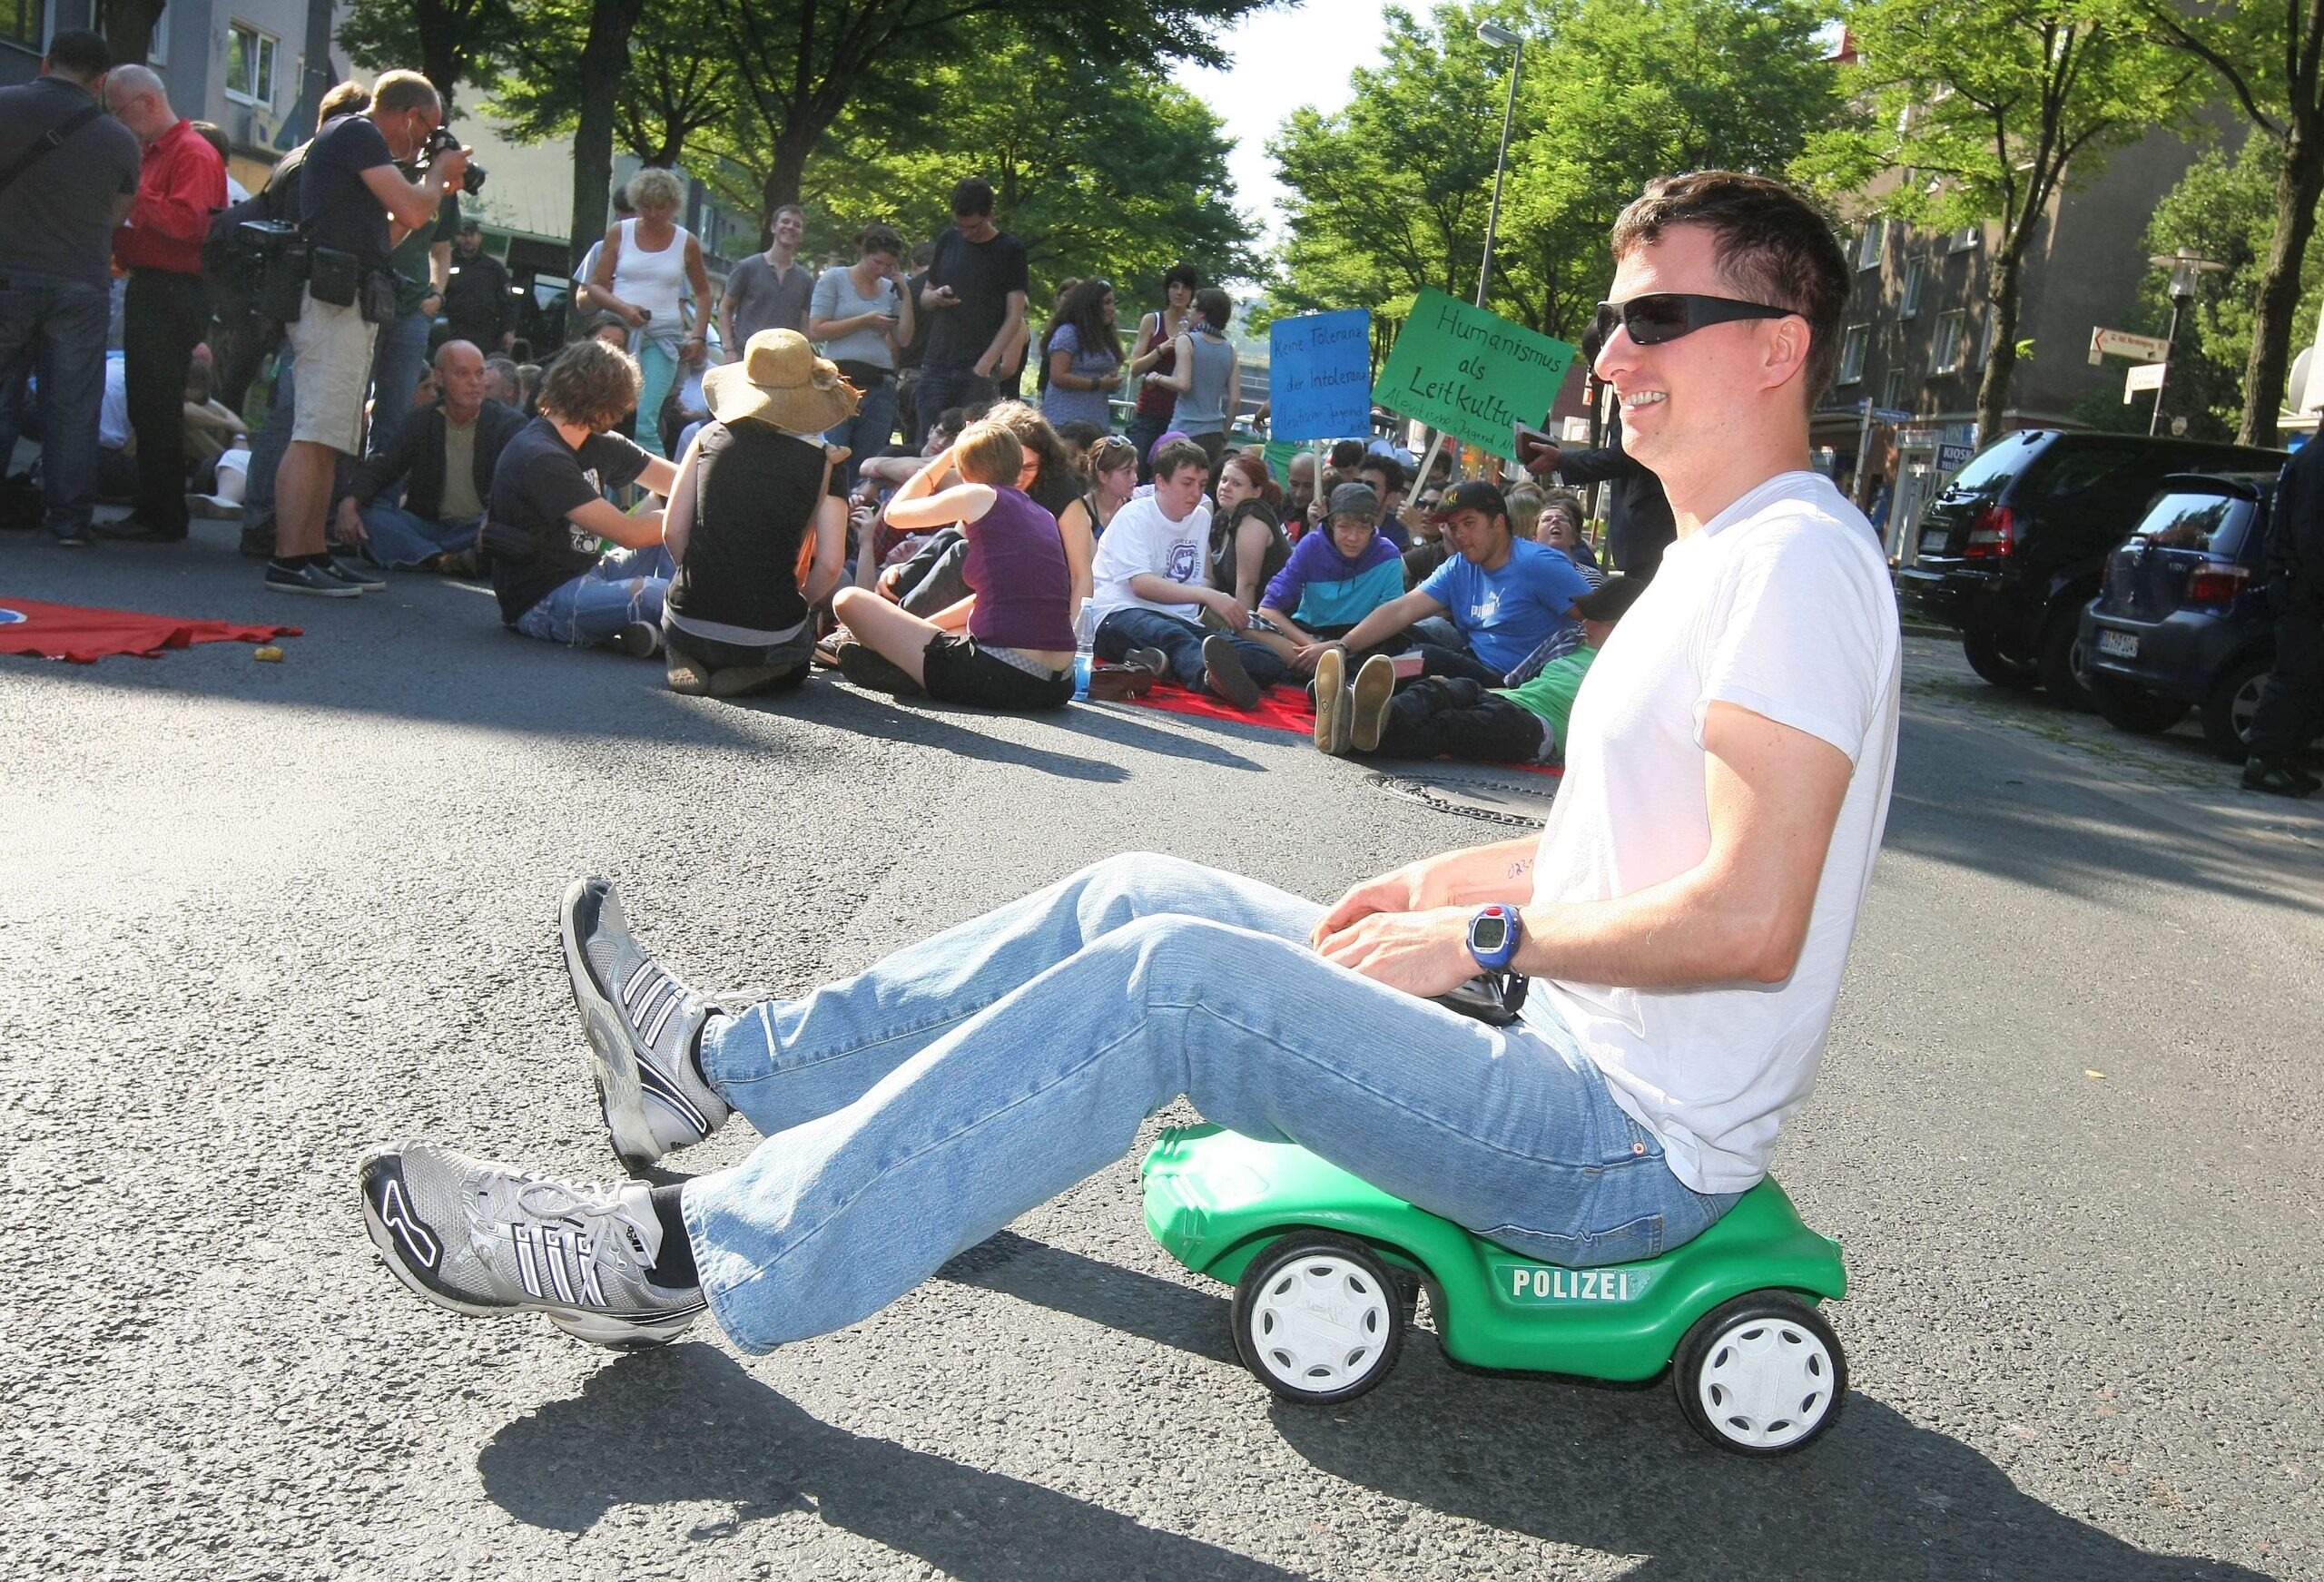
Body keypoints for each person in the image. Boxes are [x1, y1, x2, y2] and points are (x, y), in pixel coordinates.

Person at [358, 173, 1899, 1410]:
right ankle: (715, 1066)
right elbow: (1637, 848)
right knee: (1139, 890)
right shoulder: (1724, 557)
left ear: (1779, 342)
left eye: (1661, 317)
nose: (1614, 353)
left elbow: (1754, 916)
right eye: (1614, 318)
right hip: (1556, 1041)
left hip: (1619, 1143)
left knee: (1173, 984)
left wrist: (1486, 952)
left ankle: (676, 1254)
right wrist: (1454, 886)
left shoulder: (1796, 565)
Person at [266, 70, 471, 597]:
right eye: (428, 133)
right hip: (330, 299)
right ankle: (290, 559)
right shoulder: (356, 132)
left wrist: (432, 186)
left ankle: (311, 552)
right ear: (410, 116)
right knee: (314, 431)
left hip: (349, 295)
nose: (425, 144)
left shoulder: (357, 148)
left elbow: (389, 231)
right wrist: (436, 178)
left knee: (332, 435)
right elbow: (411, 206)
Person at [0, 29, 142, 545]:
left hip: (6, 272)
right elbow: (117, 217)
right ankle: (69, 521)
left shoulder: (4, 107)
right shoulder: (120, 139)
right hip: (81, 282)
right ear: (101, 81)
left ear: (46, 62)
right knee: (73, 403)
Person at [830, 418, 1078, 710]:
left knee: (849, 600)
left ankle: (907, 667)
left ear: (964, 469)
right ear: (1016, 464)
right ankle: (910, 666)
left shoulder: (978, 494)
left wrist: (943, 458)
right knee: (951, 629)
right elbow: (991, 599)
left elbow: (894, 514)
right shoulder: (1043, 515)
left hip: (1001, 674)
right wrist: (917, 630)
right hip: (1058, 684)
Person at [660, 329, 853, 697]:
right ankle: (760, 672)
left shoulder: (706, 438)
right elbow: (830, 564)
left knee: (686, 622)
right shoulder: (827, 461)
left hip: (690, 612)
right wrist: (801, 603)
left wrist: (703, 578)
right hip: (769, 630)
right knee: (795, 651)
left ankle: (684, 651)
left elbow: (672, 530)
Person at [225, 79, 373, 562]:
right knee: (302, 424)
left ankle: (275, 526)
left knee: (294, 419)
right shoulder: (325, 163)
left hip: (282, 299)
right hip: (310, 298)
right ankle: (276, 529)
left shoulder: (295, 159)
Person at [1315, 575, 1645, 763]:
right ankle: (1361, 712)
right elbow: (1515, 680)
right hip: (1502, 695)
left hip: (1536, 729)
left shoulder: (1632, 667)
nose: (1585, 622)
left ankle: (1362, 735)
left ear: (1626, 627)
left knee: (1450, 725)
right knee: (1439, 688)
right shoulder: (1570, 640)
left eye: (1598, 619)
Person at [487, 336, 679, 654]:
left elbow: (680, 484)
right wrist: (689, 513)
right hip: (542, 601)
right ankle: (674, 627)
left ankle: (656, 631)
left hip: (590, 572)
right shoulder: (540, 456)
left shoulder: (598, 441)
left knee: (676, 505)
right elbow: (627, 533)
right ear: (603, 403)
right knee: (659, 594)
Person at [97, 64, 224, 545]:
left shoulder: (191, 152)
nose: (115, 120)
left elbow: (189, 224)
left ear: (146, 103)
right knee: (148, 401)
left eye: (117, 110)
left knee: (155, 402)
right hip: (156, 284)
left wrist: (130, 199)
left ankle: (161, 513)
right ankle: (156, 508)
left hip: (172, 286)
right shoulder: (164, 151)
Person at [1304, 479, 1590, 687]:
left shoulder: (1538, 563)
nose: (1459, 534)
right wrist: (1340, 647)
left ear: (1498, 522)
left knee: (1425, 658)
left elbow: (1599, 621)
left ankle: (1358, 686)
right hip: (1471, 661)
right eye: (1453, 526)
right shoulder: (1459, 565)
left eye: (1469, 523)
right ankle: (1348, 681)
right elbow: (1401, 610)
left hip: (1514, 682)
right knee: (1394, 638)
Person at [1085, 437, 1285, 708]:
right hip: (1118, 614)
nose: (1196, 493)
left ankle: (1157, 663)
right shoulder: (1134, 515)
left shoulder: (1201, 517)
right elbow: (1141, 585)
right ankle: (1206, 680)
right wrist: (1209, 596)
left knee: (1266, 658)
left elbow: (1196, 577)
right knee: (1173, 636)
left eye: (1202, 485)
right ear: (1161, 482)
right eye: (1187, 483)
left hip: (1176, 618)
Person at [338, 339, 523, 571]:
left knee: (507, 526)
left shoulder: (508, 424)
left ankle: (420, 555)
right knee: (370, 515)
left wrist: (494, 516)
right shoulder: (422, 419)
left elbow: (518, 483)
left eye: (479, 373)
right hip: (429, 525)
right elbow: (385, 465)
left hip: (479, 524)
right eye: (463, 373)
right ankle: (444, 559)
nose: (475, 383)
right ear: (439, 377)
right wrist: (350, 502)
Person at [1519, 325, 1676, 578]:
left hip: (1651, 537)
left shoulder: (1650, 393)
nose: (1595, 372)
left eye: (1595, 363)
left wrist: (1561, 460)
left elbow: (1626, 455)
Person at [587, 169, 713, 461]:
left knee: (644, 420)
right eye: (647, 206)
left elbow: (703, 293)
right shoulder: (620, 233)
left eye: (661, 207)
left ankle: (662, 492)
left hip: (662, 339)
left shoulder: (687, 242)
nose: (654, 213)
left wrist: (698, 336)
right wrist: (624, 309)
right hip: (618, 334)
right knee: (607, 413)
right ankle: (607, 483)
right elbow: (595, 285)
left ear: (673, 207)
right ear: (637, 204)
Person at [915, 178, 1028, 442]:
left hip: (977, 368)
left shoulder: (1010, 250)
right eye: (959, 226)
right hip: (937, 363)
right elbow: (924, 298)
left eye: (973, 227)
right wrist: (937, 297)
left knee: (971, 447)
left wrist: (985, 365)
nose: (965, 233)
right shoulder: (947, 239)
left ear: (991, 215)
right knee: (926, 443)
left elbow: (1015, 316)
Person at [2243, 437, 2324, 796]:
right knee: (2294, 675)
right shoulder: (2317, 462)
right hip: (2301, 589)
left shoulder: (2308, 458)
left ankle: (2283, 758)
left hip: (2299, 585)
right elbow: (2312, 537)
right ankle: (2263, 762)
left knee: (2306, 678)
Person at [808, 221, 913, 494]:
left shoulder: (890, 288)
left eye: (888, 266)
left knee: (868, 464)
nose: (880, 270)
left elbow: (904, 338)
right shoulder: (835, 278)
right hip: (839, 380)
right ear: (864, 253)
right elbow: (816, 328)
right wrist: (865, 320)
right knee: (832, 454)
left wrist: (906, 293)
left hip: (879, 382)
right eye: (876, 262)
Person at [1255, 483, 1408, 672]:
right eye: (1344, 527)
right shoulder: (1311, 546)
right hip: (1308, 638)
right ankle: (1327, 672)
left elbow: (1390, 620)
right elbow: (1267, 609)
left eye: (1362, 528)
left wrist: (1338, 647)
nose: (1353, 537)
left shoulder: (1388, 555)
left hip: (1360, 642)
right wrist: (1315, 647)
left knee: (1407, 654)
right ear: (1332, 524)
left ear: (1373, 527)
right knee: (1246, 623)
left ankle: (1324, 672)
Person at [368, 179, 458, 464]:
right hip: (368, 301)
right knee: (348, 404)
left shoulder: (445, 185)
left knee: (396, 413)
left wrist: (437, 296)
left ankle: (380, 501)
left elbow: (442, 250)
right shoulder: (381, 168)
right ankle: (337, 494)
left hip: (414, 309)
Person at [1152, 286, 1238, 477]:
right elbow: (1235, 401)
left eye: (1193, 307)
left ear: (1202, 314)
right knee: (1201, 491)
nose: (1189, 312)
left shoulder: (1187, 340)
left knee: (1169, 484)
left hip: (1184, 430)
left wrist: (1156, 377)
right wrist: (1224, 433)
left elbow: (1183, 384)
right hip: (1214, 434)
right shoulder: (1229, 350)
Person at [1124, 264, 1196, 480]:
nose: (1180, 292)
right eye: (1174, 286)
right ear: (1167, 289)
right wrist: (1161, 349)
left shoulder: (1195, 325)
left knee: (1172, 475)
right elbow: (1135, 368)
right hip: (1149, 410)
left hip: (1181, 415)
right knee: (1137, 471)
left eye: (1185, 287)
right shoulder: (1152, 320)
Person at [718, 203, 814, 354]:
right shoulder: (747, 267)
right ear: (773, 228)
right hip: (746, 356)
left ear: (801, 235)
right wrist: (728, 348)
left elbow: (804, 326)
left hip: (785, 360)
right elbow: (725, 307)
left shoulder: (806, 280)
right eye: (785, 221)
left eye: (797, 225)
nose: (790, 227)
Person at [1208, 450, 1289, 616]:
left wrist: (1241, 636)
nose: (1225, 487)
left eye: (1236, 484)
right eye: (1224, 480)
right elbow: (1208, 578)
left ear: (1256, 492)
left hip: (1271, 616)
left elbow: (1247, 586)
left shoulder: (1252, 516)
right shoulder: (1221, 519)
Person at [1038, 278, 1122, 431]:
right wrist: (1098, 383)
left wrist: (1112, 382)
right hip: (1065, 422)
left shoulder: (1104, 337)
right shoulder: (1068, 332)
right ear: (1090, 305)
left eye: (1113, 303)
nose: (1112, 308)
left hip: (1097, 423)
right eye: (1106, 303)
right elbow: (1058, 376)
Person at [443, 219, 514, 353]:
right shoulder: (446, 263)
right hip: (452, 329)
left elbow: (508, 302)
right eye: (464, 235)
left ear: (479, 237)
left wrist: (508, 330)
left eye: (472, 235)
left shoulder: (494, 268)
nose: (468, 239)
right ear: (457, 237)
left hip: (485, 334)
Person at [1059, 432, 1137, 547]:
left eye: (1135, 470)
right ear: (1103, 476)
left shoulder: (1135, 510)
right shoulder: (1079, 512)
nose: (1135, 478)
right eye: (1127, 472)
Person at [1536, 487, 1608, 588]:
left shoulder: (1590, 577)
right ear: (1534, 538)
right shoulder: (1522, 572)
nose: (1555, 520)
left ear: (1574, 537)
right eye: (1547, 519)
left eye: (1563, 519)